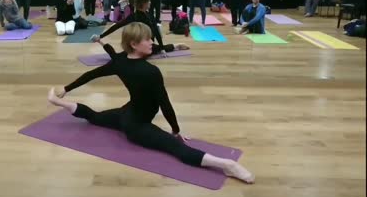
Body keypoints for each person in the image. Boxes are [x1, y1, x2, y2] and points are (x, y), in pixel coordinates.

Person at [48, 22, 255, 184]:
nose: (151, 42)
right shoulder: (151, 72)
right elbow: (165, 104)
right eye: (147, 40)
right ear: (134, 45)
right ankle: (226, 165)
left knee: (95, 117)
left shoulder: (119, 62)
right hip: (137, 127)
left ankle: (57, 101)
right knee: (174, 147)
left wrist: (66, 89)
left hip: (126, 114)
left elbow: (90, 75)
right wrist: (175, 131)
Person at [92, 0, 189, 55]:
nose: (150, 3)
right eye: (148, 2)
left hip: (148, 44)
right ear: (143, 4)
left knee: (154, 49)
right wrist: (101, 36)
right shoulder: (133, 16)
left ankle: (176, 45)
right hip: (137, 44)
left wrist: (162, 47)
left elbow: (155, 31)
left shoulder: (149, 15)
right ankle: (173, 46)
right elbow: (117, 26)